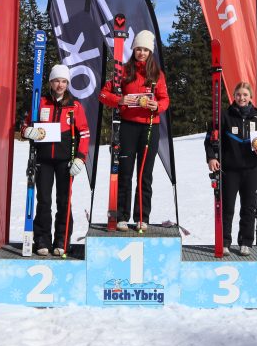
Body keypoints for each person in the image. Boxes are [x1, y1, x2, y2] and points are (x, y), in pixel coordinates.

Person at [99, 29, 169, 231]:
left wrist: (158, 106)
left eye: (145, 50)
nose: (141, 53)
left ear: (150, 52)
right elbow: (103, 94)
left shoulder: (157, 74)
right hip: (128, 127)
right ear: (133, 49)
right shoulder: (123, 72)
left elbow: (165, 99)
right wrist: (119, 100)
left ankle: (141, 217)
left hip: (149, 127)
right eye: (138, 49)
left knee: (145, 174)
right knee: (125, 172)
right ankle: (122, 216)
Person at [22, 64, 90, 256]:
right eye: (56, 81)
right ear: (50, 82)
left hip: (65, 161)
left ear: (67, 84)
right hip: (43, 159)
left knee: (64, 200)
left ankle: (62, 240)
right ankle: (42, 240)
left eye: (64, 81)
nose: (60, 85)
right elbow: (25, 125)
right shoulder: (40, 102)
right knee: (43, 200)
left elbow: (84, 133)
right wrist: (28, 131)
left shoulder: (74, 106)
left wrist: (80, 158)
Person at [205, 82, 257, 256]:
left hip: (251, 170)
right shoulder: (224, 116)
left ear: (251, 97)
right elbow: (210, 139)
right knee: (227, 207)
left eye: (245, 95)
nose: (242, 98)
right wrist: (211, 157)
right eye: (239, 94)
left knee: (249, 207)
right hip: (229, 170)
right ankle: (224, 242)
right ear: (234, 96)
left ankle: (246, 242)